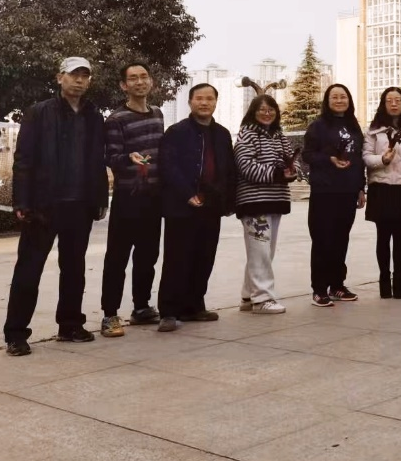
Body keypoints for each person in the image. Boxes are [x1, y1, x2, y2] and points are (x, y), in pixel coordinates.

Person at [4, 57, 109, 356]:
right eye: (74, 75)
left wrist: (100, 198)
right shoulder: (39, 112)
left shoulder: (94, 115)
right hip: (43, 206)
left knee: (74, 269)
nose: (79, 80)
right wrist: (22, 201)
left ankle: (70, 325)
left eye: (85, 76)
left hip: (80, 205)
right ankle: (16, 334)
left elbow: (97, 160)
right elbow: (23, 160)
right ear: (60, 77)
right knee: (29, 270)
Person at [157, 82, 236, 332]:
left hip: (211, 205)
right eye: (199, 98)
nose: (204, 103)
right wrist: (187, 194)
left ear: (216, 102)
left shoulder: (222, 134)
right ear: (190, 102)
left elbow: (228, 170)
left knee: (204, 257)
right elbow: (168, 166)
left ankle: (194, 306)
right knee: (177, 258)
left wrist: (227, 201)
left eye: (209, 98)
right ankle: (169, 312)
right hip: (182, 206)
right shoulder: (177, 132)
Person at [100, 62, 164, 339]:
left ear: (151, 81)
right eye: (133, 78)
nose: (140, 82)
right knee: (117, 258)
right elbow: (110, 157)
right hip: (128, 198)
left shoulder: (158, 114)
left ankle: (141, 307)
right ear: (123, 86)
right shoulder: (116, 119)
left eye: (144, 77)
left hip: (153, 198)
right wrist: (128, 158)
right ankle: (110, 314)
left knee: (148, 256)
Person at [234, 94, 296, 315]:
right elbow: (246, 167)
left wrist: (291, 171)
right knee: (260, 250)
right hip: (254, 202)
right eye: (261, 109)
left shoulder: (279, 136)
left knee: (264, 251)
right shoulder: (246, 135)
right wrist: (278, 173)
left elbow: (291, 160)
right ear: (253, 112)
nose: (267, 113)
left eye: (271, 109)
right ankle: (262, 298)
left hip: (275, 199)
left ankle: (248, 295)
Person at [303, 84, 366, 305]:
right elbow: (307, 155)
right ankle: (319, 288)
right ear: (327, 101)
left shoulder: (354, 126)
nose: (339, 101)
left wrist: (360, 187)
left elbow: (359, 159)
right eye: (334, 97)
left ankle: (337, 285)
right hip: (324, 191)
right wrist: (328, 159)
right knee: (322, 239)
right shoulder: (318, 126)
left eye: (343, 97)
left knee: (341, 239)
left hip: (347, 191)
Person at [363, 87, 401, 299]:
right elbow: (366, 157)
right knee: (383, 236)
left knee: (400, 237)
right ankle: (384, 280)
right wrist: (382, 159)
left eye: (398, 100)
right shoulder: (374, 131)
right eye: (389, 100)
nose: (394, 104)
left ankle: (399, 280)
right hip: (380, 187)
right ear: (383, 104)